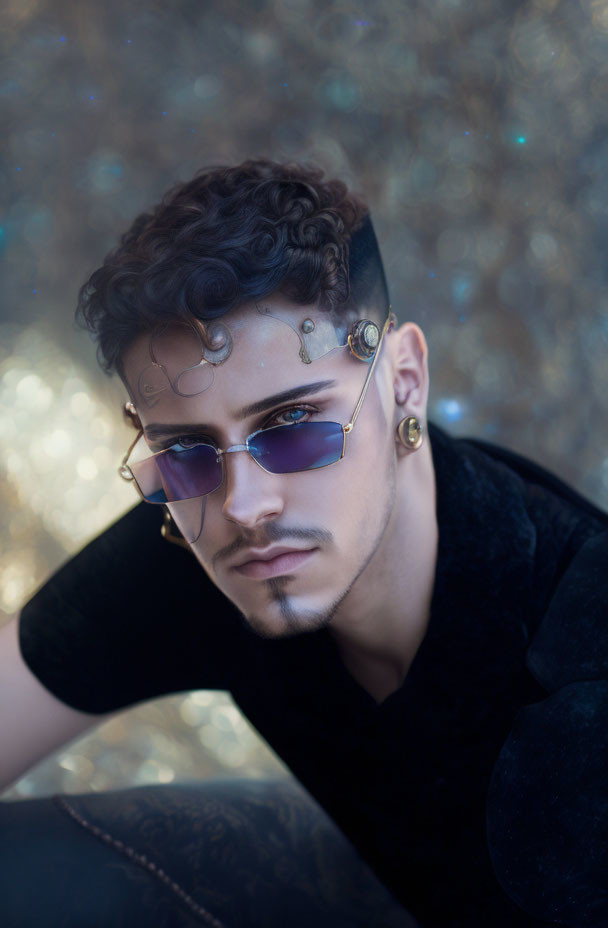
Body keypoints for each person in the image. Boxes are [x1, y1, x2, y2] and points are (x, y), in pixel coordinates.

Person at [0, 158, 606, 928]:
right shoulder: (204, 527)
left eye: (291, 428)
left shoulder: (578, 693)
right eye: (186, 451)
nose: (245, 505)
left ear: (405, 380)